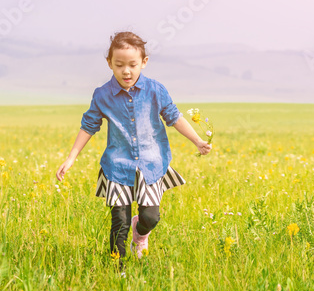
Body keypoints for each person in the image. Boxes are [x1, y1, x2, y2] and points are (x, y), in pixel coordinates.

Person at [54, 31, 211, 267]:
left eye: (132, 65)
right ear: (109, 64)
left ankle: (141, 233)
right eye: (119, 65)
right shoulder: (102, 95)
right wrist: (71, 158)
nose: (126, 71)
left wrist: (197, 141)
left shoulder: (156, 90)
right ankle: (118, 269)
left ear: (144, 63)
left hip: (151, 164)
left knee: (150, 217)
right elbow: (88, 126)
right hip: (118, 166)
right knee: (119, 221)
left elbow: (174, 117)